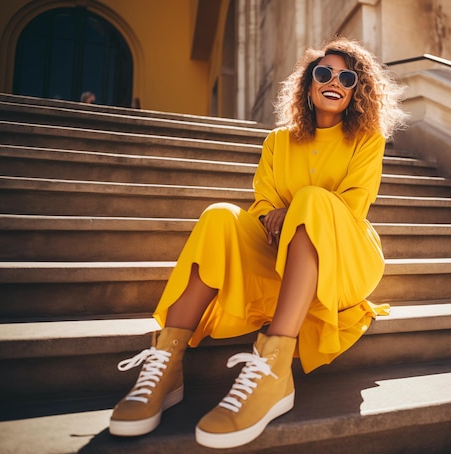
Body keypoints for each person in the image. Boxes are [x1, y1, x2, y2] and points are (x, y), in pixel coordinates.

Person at [108, 36, 408, 449]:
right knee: (219, 215)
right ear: (308, 84)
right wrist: (275, 214)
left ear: (358, 89)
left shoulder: (366, 139)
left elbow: (353, 205)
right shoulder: (277, 142)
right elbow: (263, 201)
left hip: (345, 257)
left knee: (312, 201)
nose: (334, 81)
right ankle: (168, 360)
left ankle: (274, 369)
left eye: (347, 76)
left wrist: (300, 206)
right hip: (281, 253)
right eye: (323, 73)